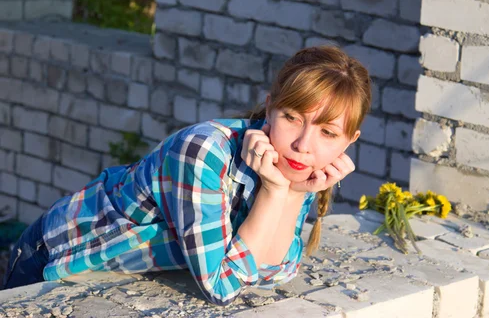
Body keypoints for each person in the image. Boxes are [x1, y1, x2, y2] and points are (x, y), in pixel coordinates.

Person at [2, 45, 372, 306]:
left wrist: (288, 193)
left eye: (327, 132)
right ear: (271, 107)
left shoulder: (294, 166)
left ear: (348, 142)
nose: (303, 145)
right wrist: (278, 194)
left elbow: (275, 270)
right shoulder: (205, 153)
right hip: (54, 257)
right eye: (292, 118)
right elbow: (222, 288)